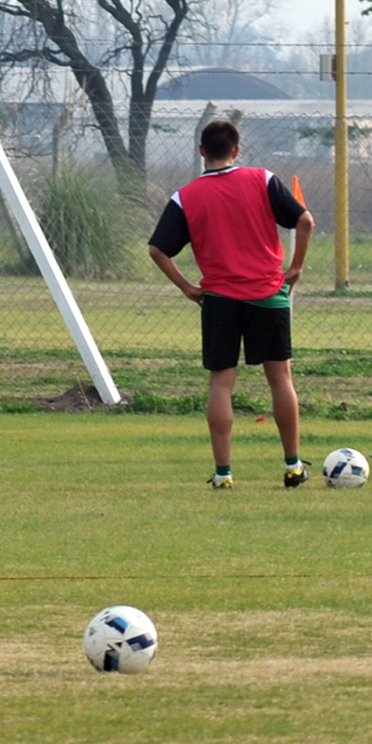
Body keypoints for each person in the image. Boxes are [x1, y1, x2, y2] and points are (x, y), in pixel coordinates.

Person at [148, 119, 314, 489]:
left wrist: (187, 287)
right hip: (268, 295)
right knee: (280, 379)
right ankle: (293, 466)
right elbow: (305, 221)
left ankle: (224, 475)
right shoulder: (262, 179)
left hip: (220, 299)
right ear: (237, 151)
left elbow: (157, 248)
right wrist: (296, 266)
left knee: (221, 385)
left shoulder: (185, 196)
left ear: (202, 151)